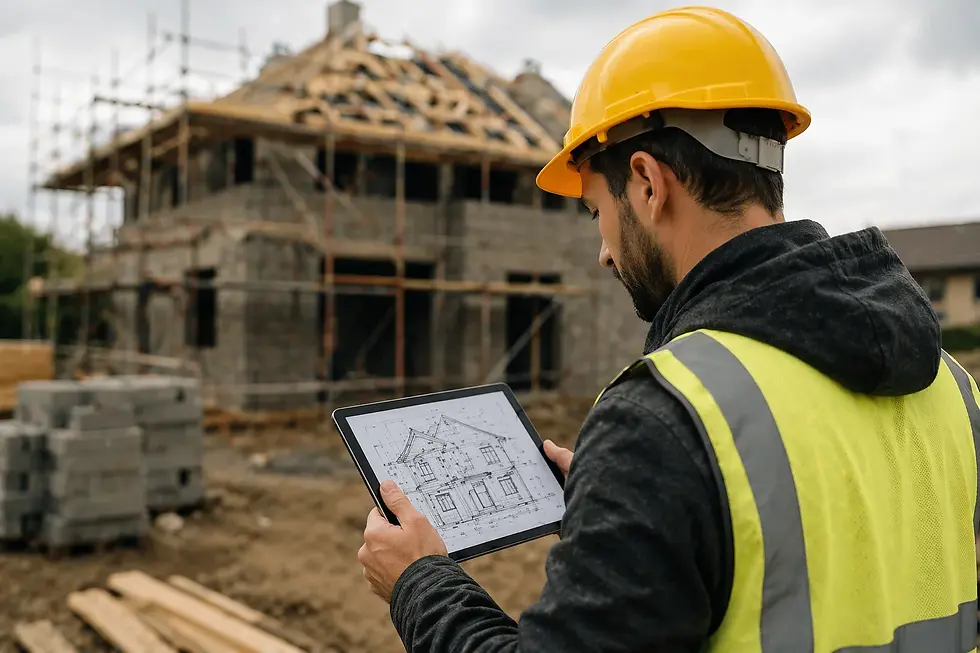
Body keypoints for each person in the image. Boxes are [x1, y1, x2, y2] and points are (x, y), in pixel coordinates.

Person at [357, 6, 980, 652]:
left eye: (597, 209)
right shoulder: (951, 388)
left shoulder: (665, 419)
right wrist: (627, 512)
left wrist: (418, 582)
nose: (603, 252)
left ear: (649, 184)